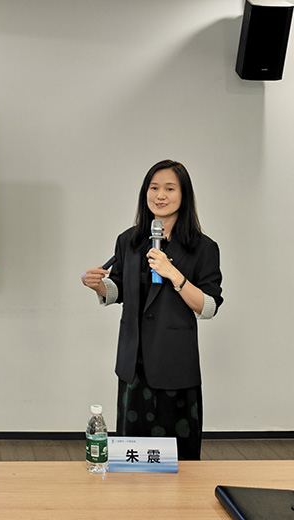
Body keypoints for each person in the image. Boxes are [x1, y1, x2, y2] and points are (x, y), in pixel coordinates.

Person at [81, 159, 223, 460]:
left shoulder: (203, 247)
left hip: (175, 364)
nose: (160, 195)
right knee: (133, 455)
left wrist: (174, 275)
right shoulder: (129, 241)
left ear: (184, 195)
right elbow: (119, 289)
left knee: (179, 458)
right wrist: (98, 285)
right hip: (134, 363)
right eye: (154, 187)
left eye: (169, 189)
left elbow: (209, 306)